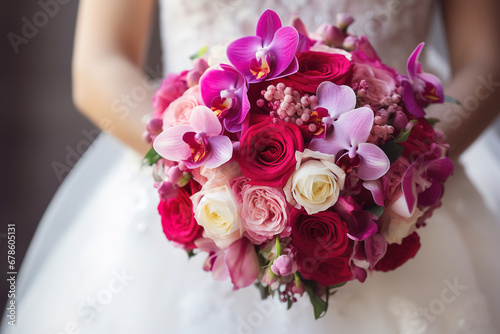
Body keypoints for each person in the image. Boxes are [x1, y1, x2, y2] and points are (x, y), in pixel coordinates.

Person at [4, 0, 500, 333]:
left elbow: (486, 61)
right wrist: (204, 173)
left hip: (396, 204)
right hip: (198, 189)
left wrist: (401, 170)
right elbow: (98, 64)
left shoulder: (396, 175)